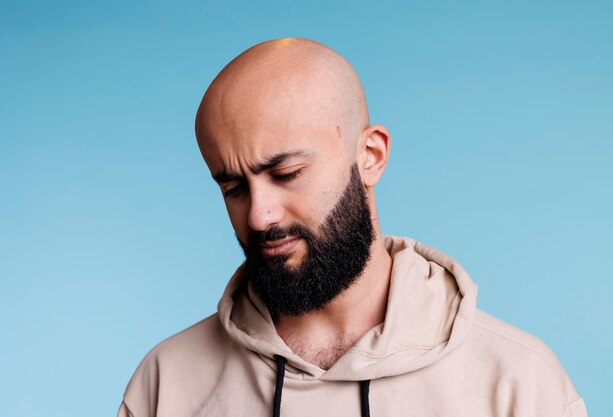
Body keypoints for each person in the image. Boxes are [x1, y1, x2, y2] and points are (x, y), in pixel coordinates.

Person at [117, 38, 587, 417]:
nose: (260, 216)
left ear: (371, 156)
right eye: (234, 188)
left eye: (286, 175)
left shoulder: (518, 381)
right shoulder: (167, 383)